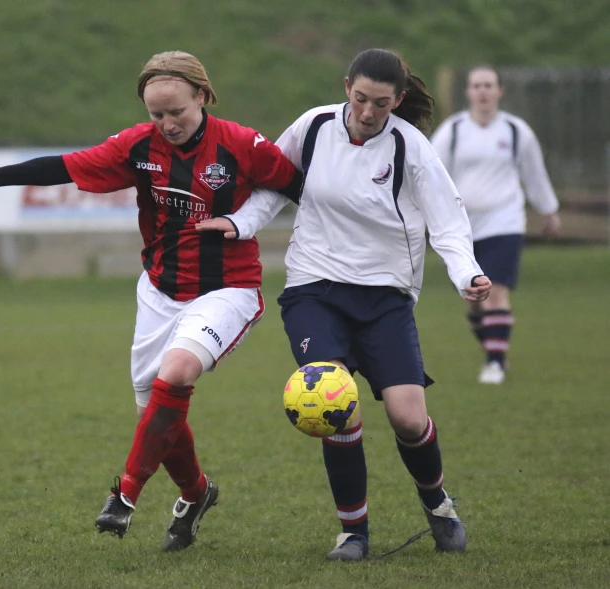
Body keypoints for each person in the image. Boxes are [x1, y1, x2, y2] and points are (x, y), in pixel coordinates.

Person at [0, 50, 303, 551]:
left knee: (176, 374)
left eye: (176, 111)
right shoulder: (140, 146)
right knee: (157, 415)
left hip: (228, 289)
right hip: (160, 291)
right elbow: (70, 166)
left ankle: (125, 494)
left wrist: (249, 224)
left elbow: (296, 187)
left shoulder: (244, 145)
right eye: (156, 114)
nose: (168, 123)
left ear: (202, 96)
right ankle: (196, 494)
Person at [195, 48, 492, 561]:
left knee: (407, 418)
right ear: (346, 86)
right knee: (334, 402)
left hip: (385, 297)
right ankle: (353, 533)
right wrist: (240, 222)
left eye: (381, 102)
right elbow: (277, 184)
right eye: (360, 98)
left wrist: (467, 271)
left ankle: (438, 504)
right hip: (314, 289)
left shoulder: (410, 146)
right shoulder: (313, 127)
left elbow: (447, 221)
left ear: (398, 100)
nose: (369, 111)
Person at [430, 65, 561, 385]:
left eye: (489, 85)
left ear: (500, 91)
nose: (483, 91)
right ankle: (493, 343)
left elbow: (534, 174)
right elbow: (430, 173)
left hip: (505, 222)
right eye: (477, 86)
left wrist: (549, 210)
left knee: (496, 292)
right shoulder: (453, 131)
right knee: (474, 301)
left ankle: (495, 363)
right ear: (468, 92)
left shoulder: (517, 132)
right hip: (462, 229)